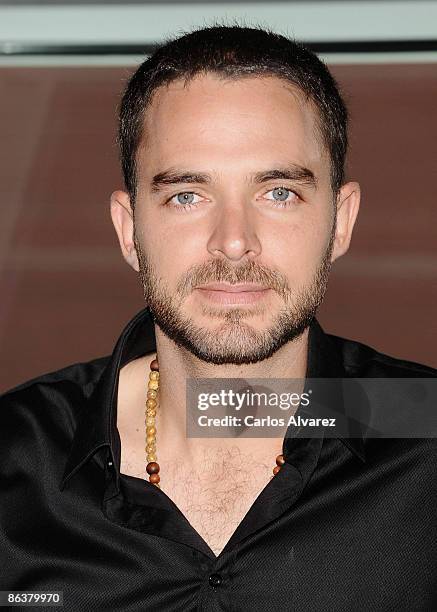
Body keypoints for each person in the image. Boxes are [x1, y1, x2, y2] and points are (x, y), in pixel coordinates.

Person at [1, 25, 436, 612]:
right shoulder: (14, 460)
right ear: (130, 230)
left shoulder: (424, 443)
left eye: (279, 192)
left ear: (342, 220)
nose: (234, 243)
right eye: (187, 195)